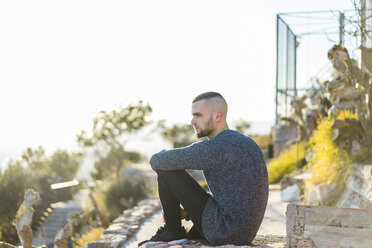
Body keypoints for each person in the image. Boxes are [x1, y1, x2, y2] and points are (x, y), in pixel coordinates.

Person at [138, 92, 268, 246]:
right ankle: (177, 229)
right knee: (194, 233)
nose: (192, 121)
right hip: (242, 232)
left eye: (198, 115)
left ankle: (173, 230)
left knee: (166, 168)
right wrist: (187, 213)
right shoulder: (243, 141)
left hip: (225, 232)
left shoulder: (215, 147)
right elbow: (234, 197)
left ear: (217, 116)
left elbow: (156, 161)